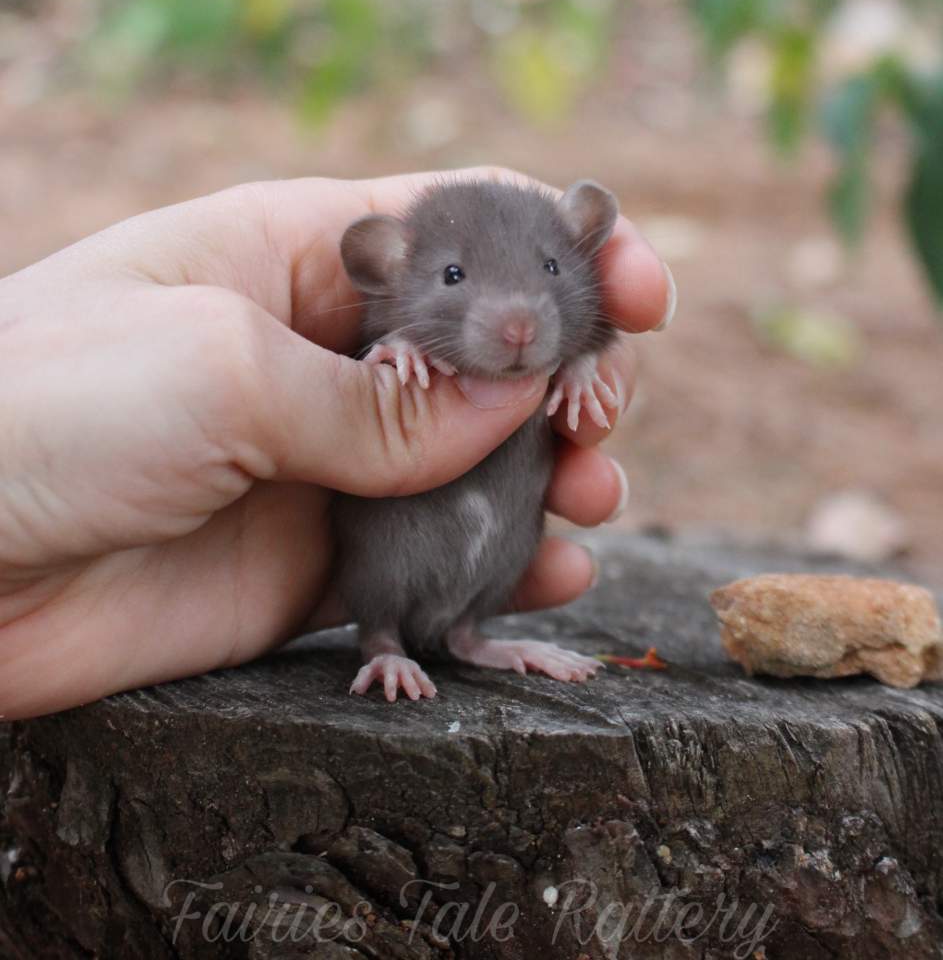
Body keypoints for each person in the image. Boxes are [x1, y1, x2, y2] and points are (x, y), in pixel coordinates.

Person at [0, 167, 674, 720]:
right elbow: (378, 341)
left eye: (549, 267)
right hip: (391, 538)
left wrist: (582, 363)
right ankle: (378, 639)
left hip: (495, 549)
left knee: (536, 538)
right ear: (388, 268)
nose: (520, 322)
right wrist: (395, 350)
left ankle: (469, 636)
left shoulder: (569, 324)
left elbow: (594, 328)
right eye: (454, 276)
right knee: (385, 551)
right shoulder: (395, 338)